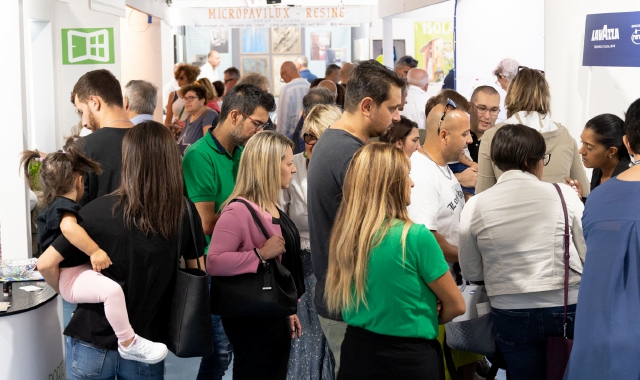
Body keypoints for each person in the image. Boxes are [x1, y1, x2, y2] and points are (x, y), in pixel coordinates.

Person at [36, 121, 206, 380]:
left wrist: (65, 290)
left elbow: (47, 263)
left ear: (129, 159)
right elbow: (198, 271)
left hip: (93, 337)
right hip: (147, 340)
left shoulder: (95, 212)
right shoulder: (183, 213)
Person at [325, 143, 465, 380]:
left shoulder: (345, 237)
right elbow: (457, 306)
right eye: (406, 175)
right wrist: (426, 311)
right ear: (390, 184)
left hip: (357, 354)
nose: (412, 182)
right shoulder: (415, 237)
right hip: (409, 359)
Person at [23, 137, 169, 365]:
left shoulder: (55, 206)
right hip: (71, 276)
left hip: (72, 274)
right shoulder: (65, 209)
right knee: (112, 292)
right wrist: (94, 251)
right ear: (80, 181)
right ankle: (128, 342)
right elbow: (69, 229)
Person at [459, 124, 586, 380]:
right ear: (535, 161)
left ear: (496, 160)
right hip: (566, 303)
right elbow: (586, 252)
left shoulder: (476, 206)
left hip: (511, 309)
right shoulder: (564, 195)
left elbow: (472, 270)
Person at [307, 60, 404, 376]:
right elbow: (377, 234)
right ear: (367, 106)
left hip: (344, 299)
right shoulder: (350, 155)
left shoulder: (333, 142)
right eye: (392, 108)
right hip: (352, 304)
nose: (397, 117)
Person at [182, 84, 276, 380]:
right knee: (219, 353)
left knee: (242, 349)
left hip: (247, 263)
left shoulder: (243, 152)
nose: (259, 131)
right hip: (216, 267)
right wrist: (248, 209)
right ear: (235, 115)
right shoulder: (199, 156)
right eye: (256, 123)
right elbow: (206, 223)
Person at [208, 132, 305, 380]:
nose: (293, 169)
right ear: (270, 167)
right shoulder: (237, 211)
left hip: (270, 312)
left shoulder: (271, 205)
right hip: (251, 317)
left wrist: (286, 308)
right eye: (288, 162)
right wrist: (260, 254)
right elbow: (215, 261)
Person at [563, 98, 640, 379]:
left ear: (626, 144)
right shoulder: (597, 193)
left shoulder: (601, 200)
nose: (582, 151)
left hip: (609, 345)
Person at [407, 98, 481, 380]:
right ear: (443, 135)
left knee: (464, 364)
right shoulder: (422, 174)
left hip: (456, 281)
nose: (470, 139)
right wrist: (466, 256)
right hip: (438, 289)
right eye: (464, 134)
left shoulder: (442, 165)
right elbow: (427, 238)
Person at [280, 104, 342, 380]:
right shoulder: (290, 166)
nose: (313, 144)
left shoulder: (347, 165)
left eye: (321, 137)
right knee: (307, 343)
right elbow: (278, 220)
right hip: (303, 268)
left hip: (341, 267)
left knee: (337, 344)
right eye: (309, 137)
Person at [475, 67, 590, 199]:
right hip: (556, 216)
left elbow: (482, 196)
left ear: (511, 94)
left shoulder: (492, 136)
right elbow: (584, 190)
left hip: (510, 216)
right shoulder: (564, 135)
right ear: (545, 96)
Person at [71, 69, 134, 206]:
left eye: (82, 111)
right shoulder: (157, 141)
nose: (84, 123)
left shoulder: (84, 147)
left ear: (94, 101)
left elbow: (77, 209)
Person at [573, 114, 628, 192]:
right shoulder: (598, 170)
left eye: (589, 147)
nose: (581, 151)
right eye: (582, 142)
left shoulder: (627, 180)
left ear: (612, 151)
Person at [291, 87, 336, 154]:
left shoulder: (288, 144)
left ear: (303, 114)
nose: (316, 146)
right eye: (311, 137)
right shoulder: (345, 142)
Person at [177, 83, 217, 156]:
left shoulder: (209, 115)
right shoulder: (190, 117)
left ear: (202, 101)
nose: (187, 101)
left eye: (191, 98)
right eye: (185, 98)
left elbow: (208, 144)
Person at [277, 61, 311, 138]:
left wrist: (279, 140)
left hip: (292, 141)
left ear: (284, 74)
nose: (284, 81)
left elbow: (283, 123)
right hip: (308, 138)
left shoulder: (287, 89)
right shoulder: (310, 86)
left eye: (282, 79)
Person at [164, 63, 200, 133]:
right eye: (177, 78)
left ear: (190, 77)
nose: (179, 81)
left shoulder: (199, 95)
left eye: (181, 78)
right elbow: (168, 120)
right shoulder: (173, 95)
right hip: (176, 133)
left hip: (192, 132)